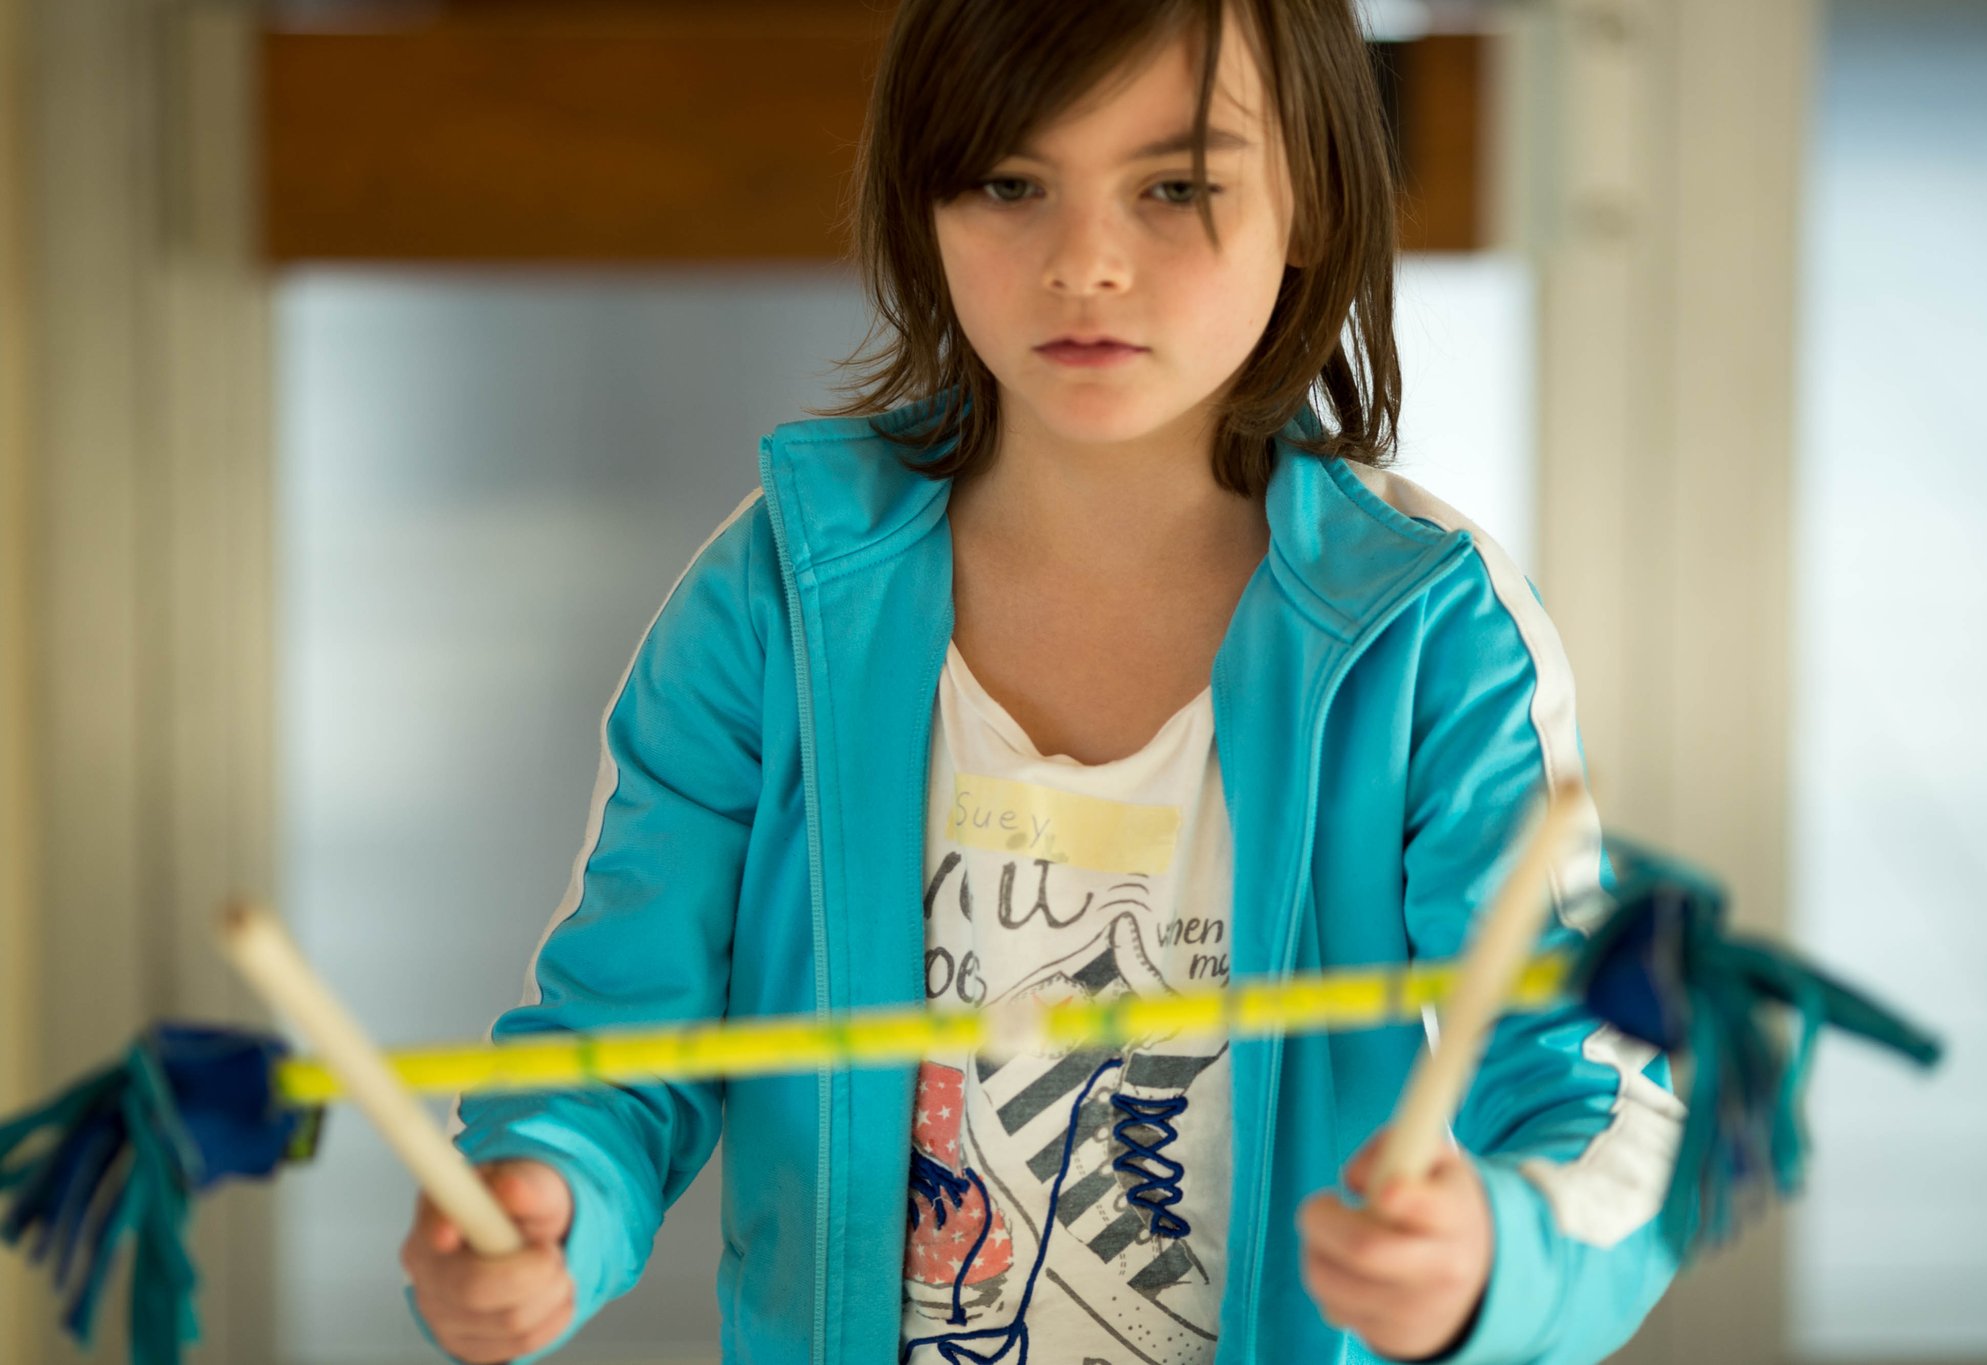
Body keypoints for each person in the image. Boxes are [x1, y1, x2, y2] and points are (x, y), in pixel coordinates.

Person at [400, 0, 1685, 1361]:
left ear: (1310, 197)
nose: (1085, 263)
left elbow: (1598, 1097)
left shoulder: (1430, 631)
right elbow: (615, 1041)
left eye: (1175, 188)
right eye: (1012, 184)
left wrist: (1491, 1259)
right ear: (925, 199)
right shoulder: (780, 591)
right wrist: (548, 1196)